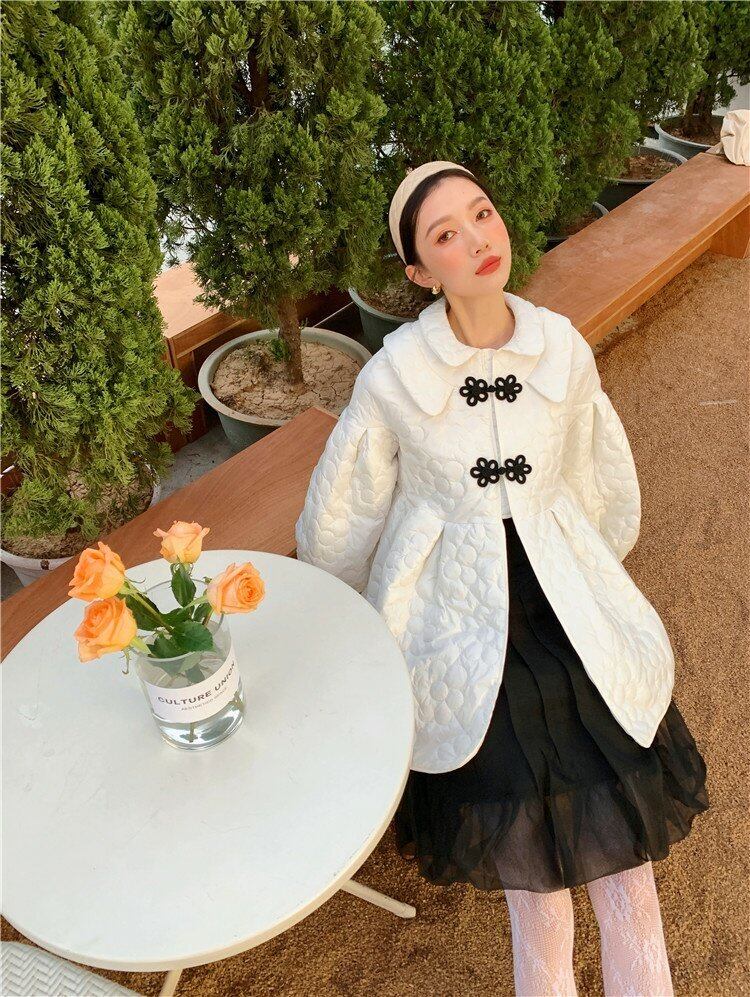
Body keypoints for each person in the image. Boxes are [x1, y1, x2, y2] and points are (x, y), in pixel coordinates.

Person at [295, 160, 709, 996]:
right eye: (446, 234)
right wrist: (337, 619)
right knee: (539, 901)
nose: (478, 239)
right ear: (420, 271)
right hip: (459, 620)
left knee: (631, 886)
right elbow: (346, 512)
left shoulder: (561, 348)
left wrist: (593, 568)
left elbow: (597, 478)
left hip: (565, 603)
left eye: (481, 213)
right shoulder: (394, 376)